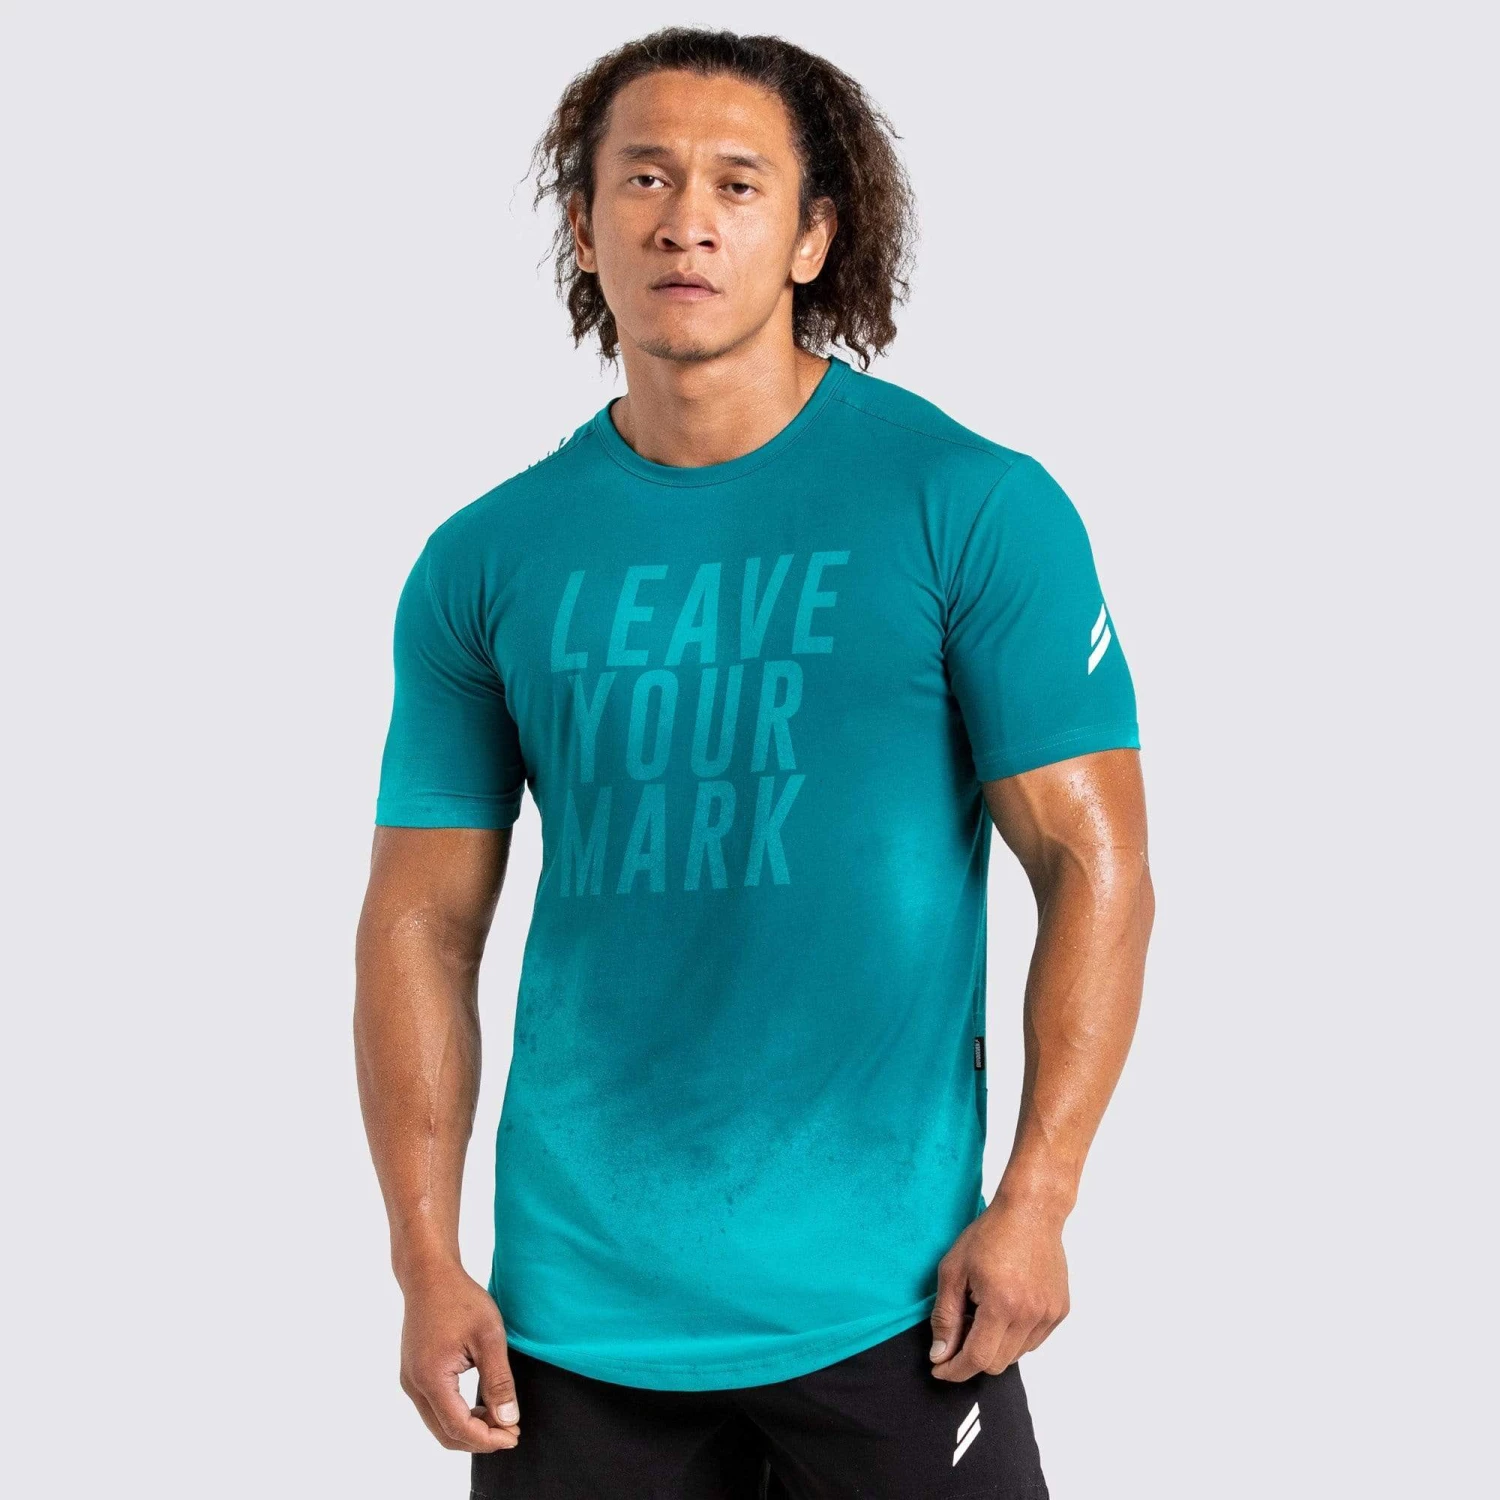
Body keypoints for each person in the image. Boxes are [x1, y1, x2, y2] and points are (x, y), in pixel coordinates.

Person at [354, 25, 1154, 1499]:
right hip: (571, 1325)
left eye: (738, 183)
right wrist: (423, 1258)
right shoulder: (486, 559)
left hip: (898, 1306)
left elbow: (1093, 864)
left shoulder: (969, 505)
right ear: (585, 228)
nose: (687, 220)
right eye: (644, 179)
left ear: (813, 235)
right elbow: (420, 920)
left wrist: (1039, 1198)